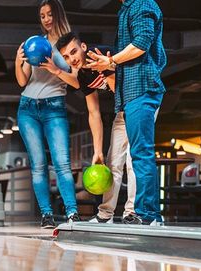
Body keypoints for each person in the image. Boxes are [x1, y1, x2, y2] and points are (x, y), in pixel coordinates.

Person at [86, 0, 166, 225]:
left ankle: (149, 215)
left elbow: (141, 44)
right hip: (129, 95)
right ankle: (127, 213)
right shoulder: (127, 8)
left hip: (142, 89)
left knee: (141, 154)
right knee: (130, 157)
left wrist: (111, 60)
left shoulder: (142, 4)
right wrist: (110, 66)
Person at [55, 32, 137, 224]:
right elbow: (94, 113)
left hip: (139, 102)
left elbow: (120, 89)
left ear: (83, 46)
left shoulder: (99, 55)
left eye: (73, 52)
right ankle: (105, 214)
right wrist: (97, 151)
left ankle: (133, 212)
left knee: (134, 161)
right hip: (123, 109)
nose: (71, 59)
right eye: (66, 56)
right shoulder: (83, 74)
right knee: (112, 162)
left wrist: (106, 69)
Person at [15, 0, 83, 229]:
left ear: (58, 14)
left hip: (55, 107)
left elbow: (75, 81)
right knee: (38, 165)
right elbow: (22, 81)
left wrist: (55, 69)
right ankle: (46, 214)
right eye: (42, 15)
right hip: (28, 108)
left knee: (62, 163)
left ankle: (72, 212)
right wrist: (18, 60)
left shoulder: (68, 44)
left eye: (49, 14)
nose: (46, 19)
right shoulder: (35, 43)